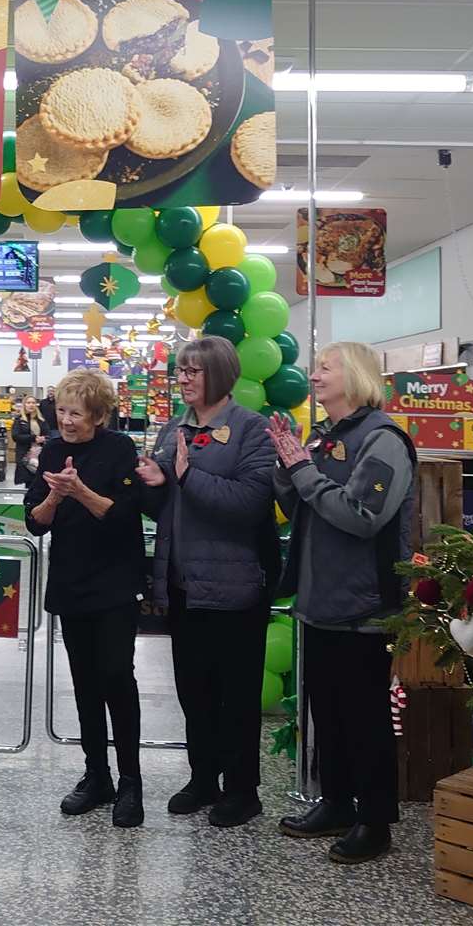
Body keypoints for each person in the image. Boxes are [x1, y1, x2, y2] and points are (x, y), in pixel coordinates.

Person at [268, 341, 416, 865]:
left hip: (364, 607)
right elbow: (302, 508)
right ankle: (334, 802)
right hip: (320, 601)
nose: (313, 375)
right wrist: (288, 467)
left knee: (364, 718)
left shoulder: (384, 440)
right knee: (325, 713)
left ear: (354, 376)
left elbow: (361, 515)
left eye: (325, 367)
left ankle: (374, 822)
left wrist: (303, 471)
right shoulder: (327, 436)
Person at [136, 336, 278, 828]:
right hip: (182, 583)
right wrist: (154, 484)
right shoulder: (173, 428)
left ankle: (243, 790)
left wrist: (186, 473)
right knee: (192, 691)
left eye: (193, 370)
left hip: (234, 587)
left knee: (235, 696)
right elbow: (165, 507)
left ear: (219, 374)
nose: (184, 378)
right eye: (180, 370)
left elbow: (249, 504)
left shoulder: (251, 431)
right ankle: (203, 779)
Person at [24, 369, 147, 827]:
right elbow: (35, 521)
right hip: (71, 580)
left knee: (117, 674)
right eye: (61, 411)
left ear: (98, 414)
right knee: (84, 682)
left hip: (115, 580)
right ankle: (97, 775)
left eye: (76, 412)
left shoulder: (120, 449)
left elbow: (122, 515)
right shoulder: (52, 450)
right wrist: (55, 498)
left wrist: (80, 490)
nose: (67, 421)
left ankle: (131, 781)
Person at [10, 395, 50, 486]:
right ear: (24, 405)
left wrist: (44, 439)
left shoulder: (41, 420)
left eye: (33, 403)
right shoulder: (19, 420)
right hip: (25, 456)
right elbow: (15, 436)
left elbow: (48, 435)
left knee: (39, 481)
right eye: (28, 403)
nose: (31, 405)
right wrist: (33, 438)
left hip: (40, 455)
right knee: (28, 481)